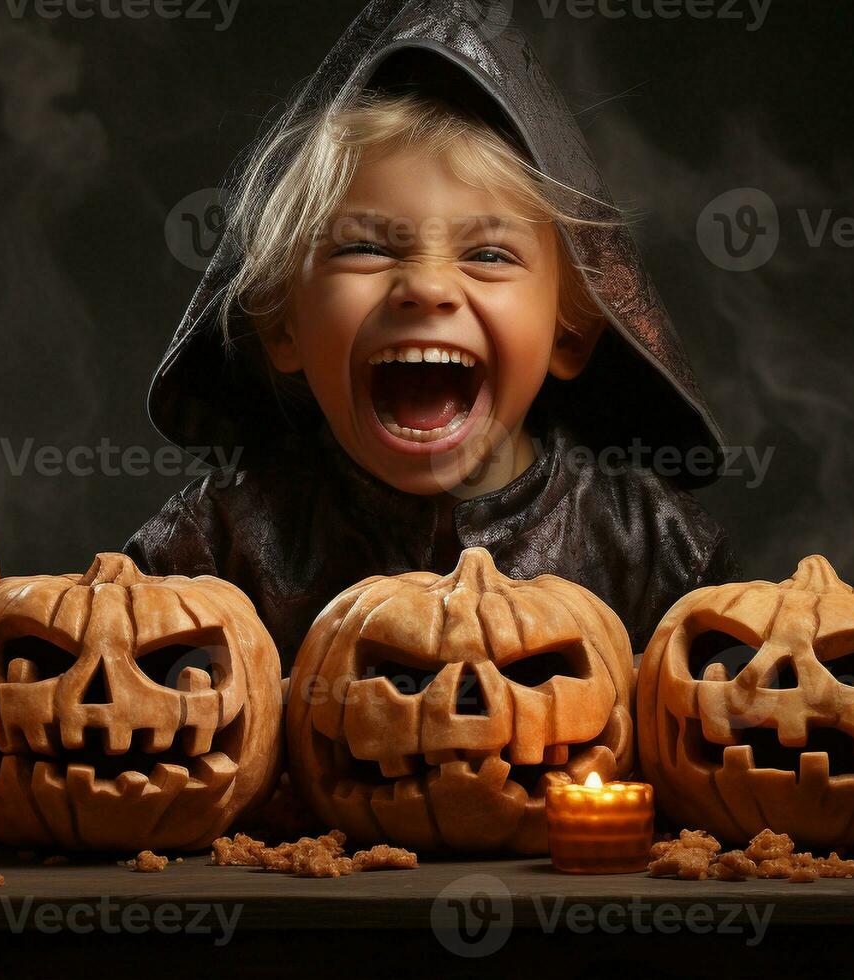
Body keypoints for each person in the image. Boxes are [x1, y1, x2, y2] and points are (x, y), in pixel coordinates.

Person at [128, 0, 737, 666]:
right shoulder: (213, 548)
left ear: (569, 335)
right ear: (283, 327)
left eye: (487, 255)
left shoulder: (656, 552)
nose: (426, 287)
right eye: (363, 248)